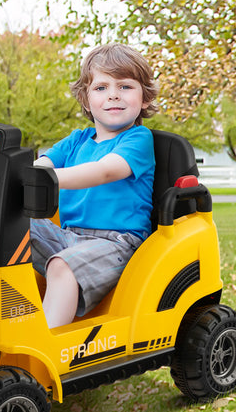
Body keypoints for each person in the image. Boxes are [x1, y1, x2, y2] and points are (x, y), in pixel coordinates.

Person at [30, 43, 158, 329]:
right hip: (68, 236)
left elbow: (104, 171)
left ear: (145, 98)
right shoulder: (77, 139)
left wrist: (47, 180)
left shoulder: (137, 139)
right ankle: (6, 317)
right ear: (87, 101)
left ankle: (46, 350)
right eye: (101, 88)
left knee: (63, 265)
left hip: (116, 243)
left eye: (125, 86)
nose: (113, 94)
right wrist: (17, 180)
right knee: (10, 229)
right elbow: (43, 165)